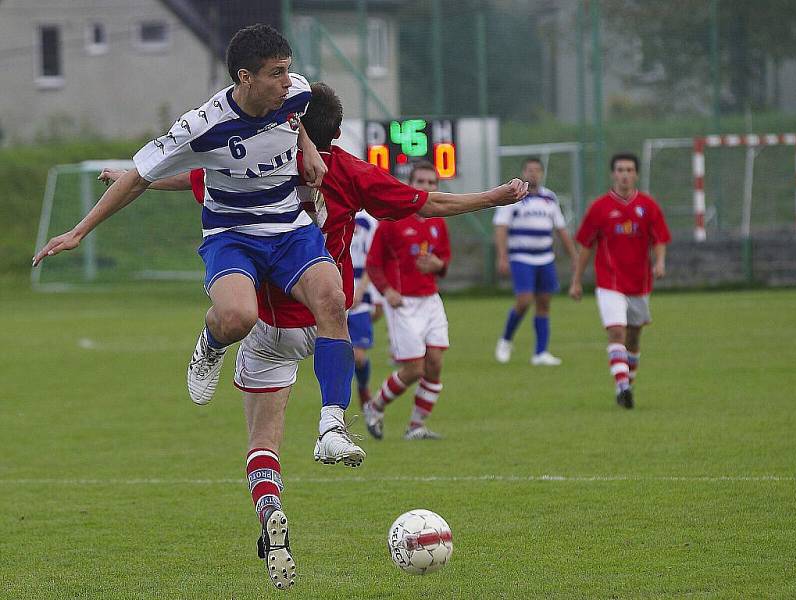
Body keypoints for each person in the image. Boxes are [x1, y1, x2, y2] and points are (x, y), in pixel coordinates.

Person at [99, 82, 529, 589]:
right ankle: (333, 423)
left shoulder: (260, 158)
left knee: (263, 439)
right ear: (339, 132)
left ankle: (270, 511)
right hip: (327, 325)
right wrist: (492, 198)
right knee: (347, 335)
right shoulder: (349, 171)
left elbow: (198, 178)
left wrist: (137, 179)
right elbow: (428, 203)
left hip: (268, 326)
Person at [31, 25, 367, 479]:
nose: (288, 81)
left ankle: (332, 426)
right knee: (238, 319)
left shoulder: (294, 94)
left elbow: (300, 112)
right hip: (233, 235)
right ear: (244, 78)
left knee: (332, 300)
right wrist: (78, 232)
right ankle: (210, 343)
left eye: (289, 70)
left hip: (289, 228)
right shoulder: (202, 127)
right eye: (276, 73)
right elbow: (139, 176)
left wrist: (307, 147)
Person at [569, 152, 671, 409]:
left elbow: (659, 238)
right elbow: (585, 246)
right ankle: (622, 385)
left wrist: (660, 262)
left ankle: (627, 384)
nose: (624, 175)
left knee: (634, 338)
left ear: (636, 174)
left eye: (629, 170)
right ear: (613, 174)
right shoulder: (600, 207)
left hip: (639, 283)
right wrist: (577, 281)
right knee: (616, 332)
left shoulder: (648, 205)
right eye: (620, 170)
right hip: (609, 283)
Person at [363, 161, 453, 441]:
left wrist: (438, 265)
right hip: (403, 304)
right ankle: (374, 406)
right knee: (415, 369)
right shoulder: (392, 220)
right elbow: (374, 263)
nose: (426, 187)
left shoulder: (439, 221)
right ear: (410, 185)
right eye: (421, 182)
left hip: (430, 300)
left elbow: (445, 261)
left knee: (435, 362)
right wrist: (387, 290)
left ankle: (416, 426)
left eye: (431, 183)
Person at [493, 157, 577, 366]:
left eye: (537, 170)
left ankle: (540, 353)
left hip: (545, 257)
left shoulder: (549, 198)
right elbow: (501, 227)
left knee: (544, 303)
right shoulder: (514, 196)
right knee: (524, 301)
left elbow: (561, 229)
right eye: (530, 170)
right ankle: (506, 339)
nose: (533, 174)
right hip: (521, 256)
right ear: (524, 172)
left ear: (542, 173)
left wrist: (575, 256)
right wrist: (502, 255)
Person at [348, 210, 380, 407]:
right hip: (335, 292)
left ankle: (363, 387)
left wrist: (360, 290)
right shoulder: (330, 212)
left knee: (358, 357)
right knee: (337, 352)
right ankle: (334, 406)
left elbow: (373, 261)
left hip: (360, 296)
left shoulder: (368, 222)